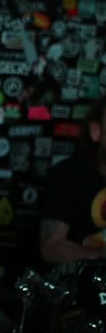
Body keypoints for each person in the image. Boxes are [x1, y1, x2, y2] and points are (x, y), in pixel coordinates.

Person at [40, 95, 106, 265]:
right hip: (82, 279)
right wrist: (100, 256)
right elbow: (51, 247)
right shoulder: (68, 175)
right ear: (96, 131)